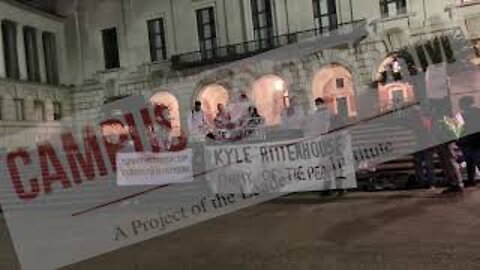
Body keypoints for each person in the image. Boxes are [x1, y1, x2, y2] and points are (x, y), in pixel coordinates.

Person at [458, 96, 480, 186]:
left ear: (465, 103)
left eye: (460, 104)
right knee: (475, 161)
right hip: (475, 141)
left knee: (471, 162)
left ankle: (471, 181)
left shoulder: (462, 115)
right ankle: (471, 180)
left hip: (469, 142)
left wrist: (460, 142)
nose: (459, 105)